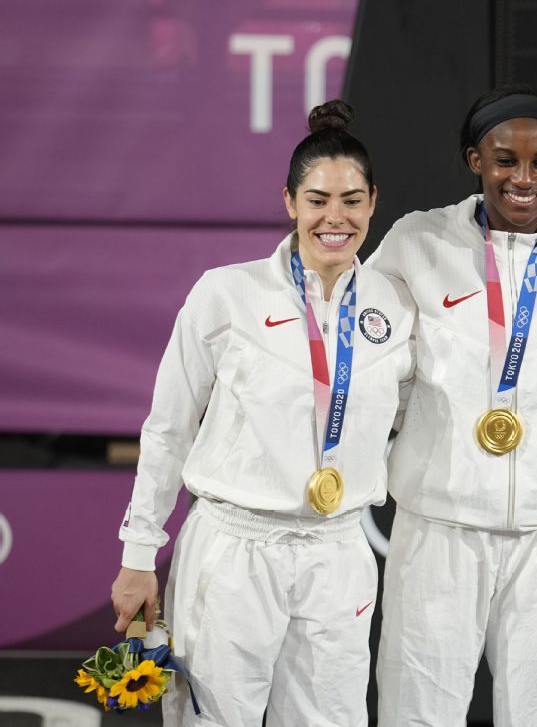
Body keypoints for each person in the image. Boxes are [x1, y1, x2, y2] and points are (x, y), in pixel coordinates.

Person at [111, 100, 414, 726]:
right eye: (318, 200)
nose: (336, 218)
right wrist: (139, 553)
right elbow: (167, 430)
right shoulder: (227, 294)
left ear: (374, 201)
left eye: (352, 200)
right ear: (289, 202)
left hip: (339, 550)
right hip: (234, 547)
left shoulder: (395, 307)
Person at [367, 88, 537, 727]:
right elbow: (371, 361)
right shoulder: (418, 241)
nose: (526, 179)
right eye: (506, 160)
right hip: (440, 524)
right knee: (417, 709)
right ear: (475, 160)